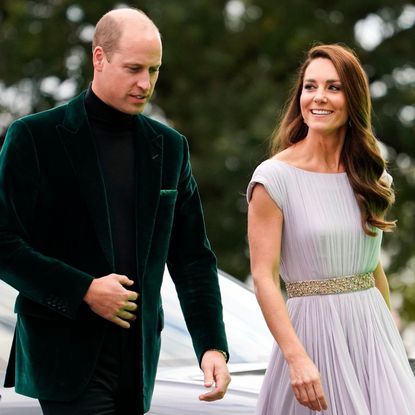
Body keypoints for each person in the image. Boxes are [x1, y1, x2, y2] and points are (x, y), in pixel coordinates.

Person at [0, 7, 230, 415]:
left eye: (154, 70)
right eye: (134, 68)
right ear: (99, 58)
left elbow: (193, 257)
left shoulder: (170, 147)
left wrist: (212, 345)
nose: (146, 84)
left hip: (138, 356)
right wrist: (84, 290)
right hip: (64, 354)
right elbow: (3, 243)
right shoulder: (33, 137)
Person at [247, 43, 415, 414]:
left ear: (352, 98)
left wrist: (390, 339)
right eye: (310, 86)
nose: (318, 97)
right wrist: (297, 359)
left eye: (333, 87)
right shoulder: (273, 179)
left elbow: (372, 268)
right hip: (312, 342)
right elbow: (263, 277)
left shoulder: (371, 175)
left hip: (374, 342)